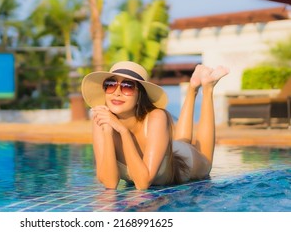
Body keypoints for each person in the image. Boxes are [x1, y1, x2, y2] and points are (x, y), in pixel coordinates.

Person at [81, 61, 229, 190]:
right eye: (110, 85)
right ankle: (193, 85)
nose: (117, 92)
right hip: (164, 146)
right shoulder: (102, 119)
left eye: (127, 86)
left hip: (183, 159)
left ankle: (207, 87)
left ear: (140, 95)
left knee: (205, 164)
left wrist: (122, 131)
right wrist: (108, 132)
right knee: (182, 140)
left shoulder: (157, 117)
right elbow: (110, 183)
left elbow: (142, 183)